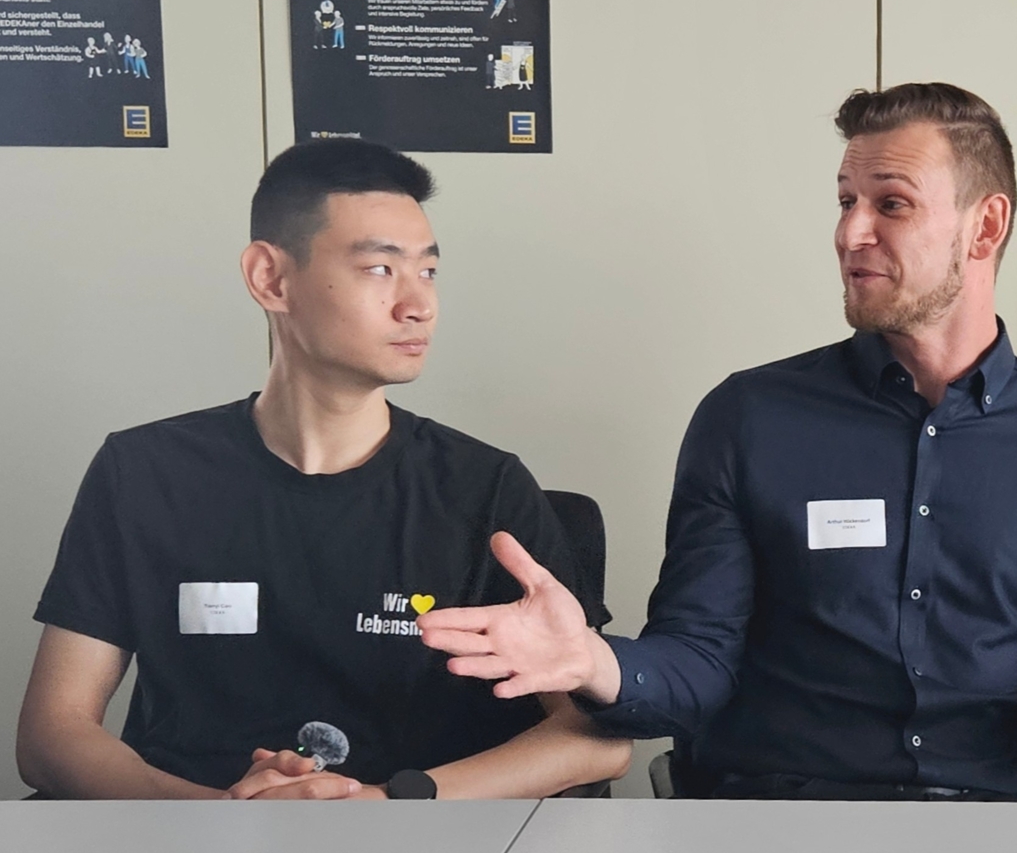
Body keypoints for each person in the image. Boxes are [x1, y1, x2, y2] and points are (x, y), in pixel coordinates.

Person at [419, 82, 1017, 801]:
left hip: (1009, 842)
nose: (849, 231)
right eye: (844, 200)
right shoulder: (749, 419)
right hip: (778, 831)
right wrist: (594, 663)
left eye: (890, 203)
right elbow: (697, 664)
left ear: (985, 225)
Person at [16, 140, 631, 801]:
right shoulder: (145, 473)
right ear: (270, 279)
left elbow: (596, 736)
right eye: (379, 269)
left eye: (427, 271)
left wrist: (389, 801)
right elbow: (52, 733)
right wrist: (220, 815)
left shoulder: (482, 489)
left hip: (421, 850)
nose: (417, 305)